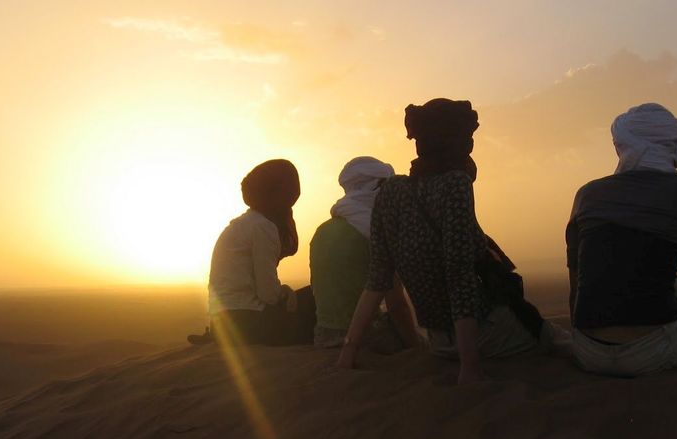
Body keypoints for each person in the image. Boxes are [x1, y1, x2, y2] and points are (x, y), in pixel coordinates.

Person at [337, 99, 557, 383]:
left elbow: (377, 278)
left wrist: (348, 352)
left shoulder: (391, 191)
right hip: (482, 335)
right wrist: (469, 367)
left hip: (440, 342)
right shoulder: (454, 184)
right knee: (557, 338)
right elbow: (459, 275)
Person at [567, 103, 677, 376]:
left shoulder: (587, 194)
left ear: (622, 146)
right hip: (653, 351)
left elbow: (576, 285)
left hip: (587, 351)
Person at [309, 156, 420, 350]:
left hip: (322, 336)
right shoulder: (374, 230)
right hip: (365, 338)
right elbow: (397, 306)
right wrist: (417, 346)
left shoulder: (322, 230)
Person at [206, 159, 315, 346]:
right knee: (316, 295)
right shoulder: (263, 227)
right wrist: (284, 293)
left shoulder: (243, 224)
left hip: (223, 323)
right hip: (249, 324)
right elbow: (268, 295)